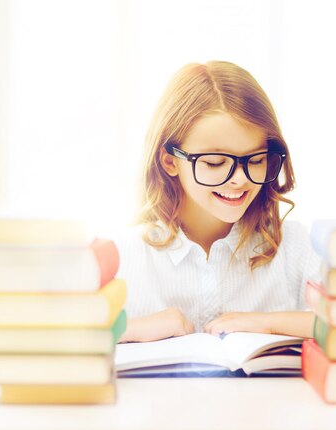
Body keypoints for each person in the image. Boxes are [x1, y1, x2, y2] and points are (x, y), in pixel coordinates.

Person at [116, 60, 322, 342]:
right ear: (170, 161)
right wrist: (131, 329)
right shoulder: (126, 256)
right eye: (214, 163)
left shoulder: (294, 246)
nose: (239, 179)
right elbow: (58, 339)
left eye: (256, 160)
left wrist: (268, 324)